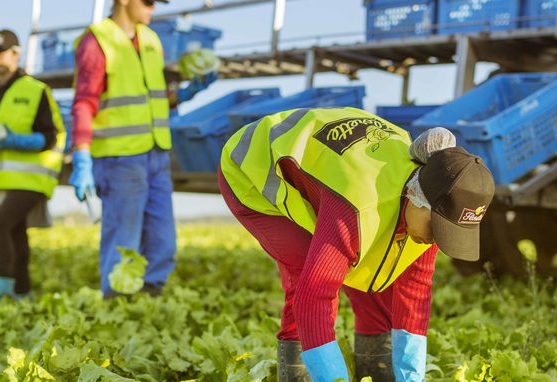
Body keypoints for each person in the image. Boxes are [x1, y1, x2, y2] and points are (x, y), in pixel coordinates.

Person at [218, 107, 495, 382]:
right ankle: (297, 374)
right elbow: (314, 296)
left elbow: (415, 292)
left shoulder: (435, 203)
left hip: (335, 174)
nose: (435, 240)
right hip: (254, 165)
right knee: (306, 270)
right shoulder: (356, 208)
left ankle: (374, 370)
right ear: (415, 195)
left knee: (376, 272)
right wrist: (334, 379)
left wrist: (412, 378)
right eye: (436, 229)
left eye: (448, 232)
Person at [68, 0, 216, 298]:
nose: (152, 8)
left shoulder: (150, 39)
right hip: (120, 158)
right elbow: (84, 102)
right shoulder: (97, 41)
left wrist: (188, 92)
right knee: (123, 238)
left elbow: (155, 97)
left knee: (163, 240)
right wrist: (81, 155)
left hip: (156, 154)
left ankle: (149, 297)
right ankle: (116, 301)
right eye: (148, 1)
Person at [0, 29, 66, 305]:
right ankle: (23, 294)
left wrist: (14, 140)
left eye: (1, 53)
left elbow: (51, 136)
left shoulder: (36, 91)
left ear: (16, 54)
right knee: (14, 232)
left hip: (32, 177)